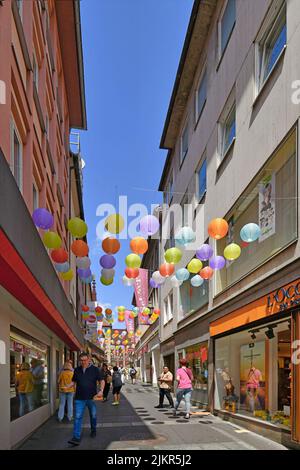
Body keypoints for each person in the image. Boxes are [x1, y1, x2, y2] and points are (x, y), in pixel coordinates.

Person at [66, 352, 105, 446]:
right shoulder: (77, 370)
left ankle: (93, 430)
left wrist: (101, 390)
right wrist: (68, 386)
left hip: (92, 397)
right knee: (78, 417)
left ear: (89, 360)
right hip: (79, 397)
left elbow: (101, 380)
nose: (83, 362)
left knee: (93, 416)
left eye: (85, 360)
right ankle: (76, 437)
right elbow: (74, 381)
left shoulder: (95, 369)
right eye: (81, 360)